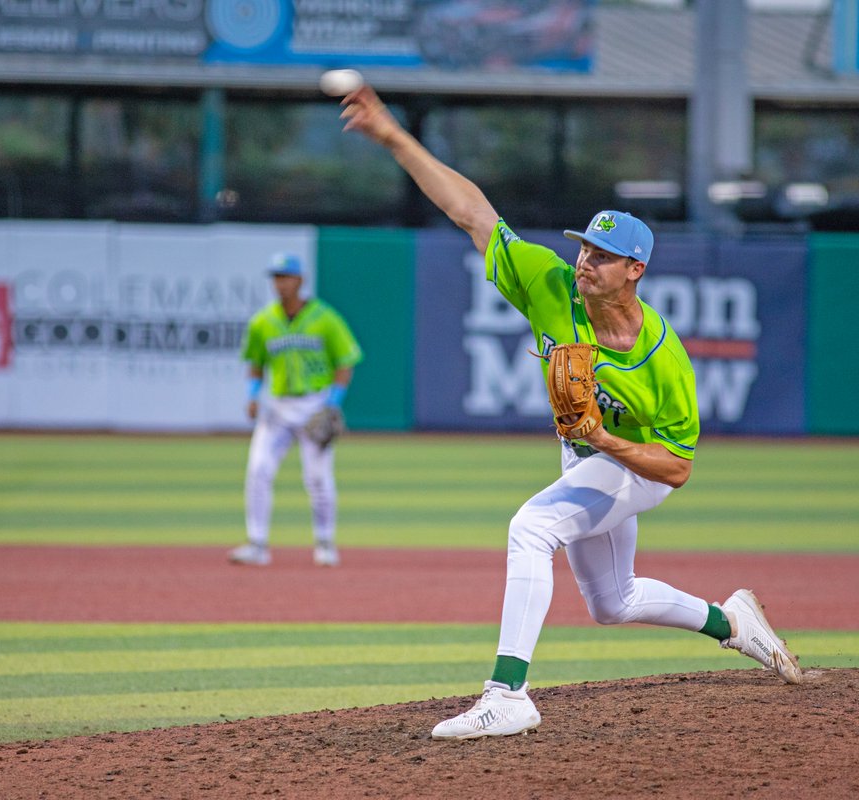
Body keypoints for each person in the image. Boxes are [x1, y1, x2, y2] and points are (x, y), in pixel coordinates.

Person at [336, 84, 802, 739]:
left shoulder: (662, 362)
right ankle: (734, 622)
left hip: (632, 467)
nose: (586, 261)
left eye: (603, 257)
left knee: (531, 529)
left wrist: (604, 440)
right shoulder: (554, 287)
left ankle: (508, 693)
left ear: (635, 269)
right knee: (612, 601)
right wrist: (392, 136)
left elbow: (675, 470)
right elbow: (473, 214)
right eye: (584, 247)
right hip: (587, 455)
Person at [229, 252, 363, 568]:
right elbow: (255, 362)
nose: (280, 283)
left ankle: (325, 543)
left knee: (317, 478)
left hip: (314, 403)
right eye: (276, 277)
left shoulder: (324, 318)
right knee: (259, 470)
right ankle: (258, 544)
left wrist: (332, 404)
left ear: (300, 280)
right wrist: (252, 395)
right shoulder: (263, 321)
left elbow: (346, 360)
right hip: (276, 406)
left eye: (285, 276)